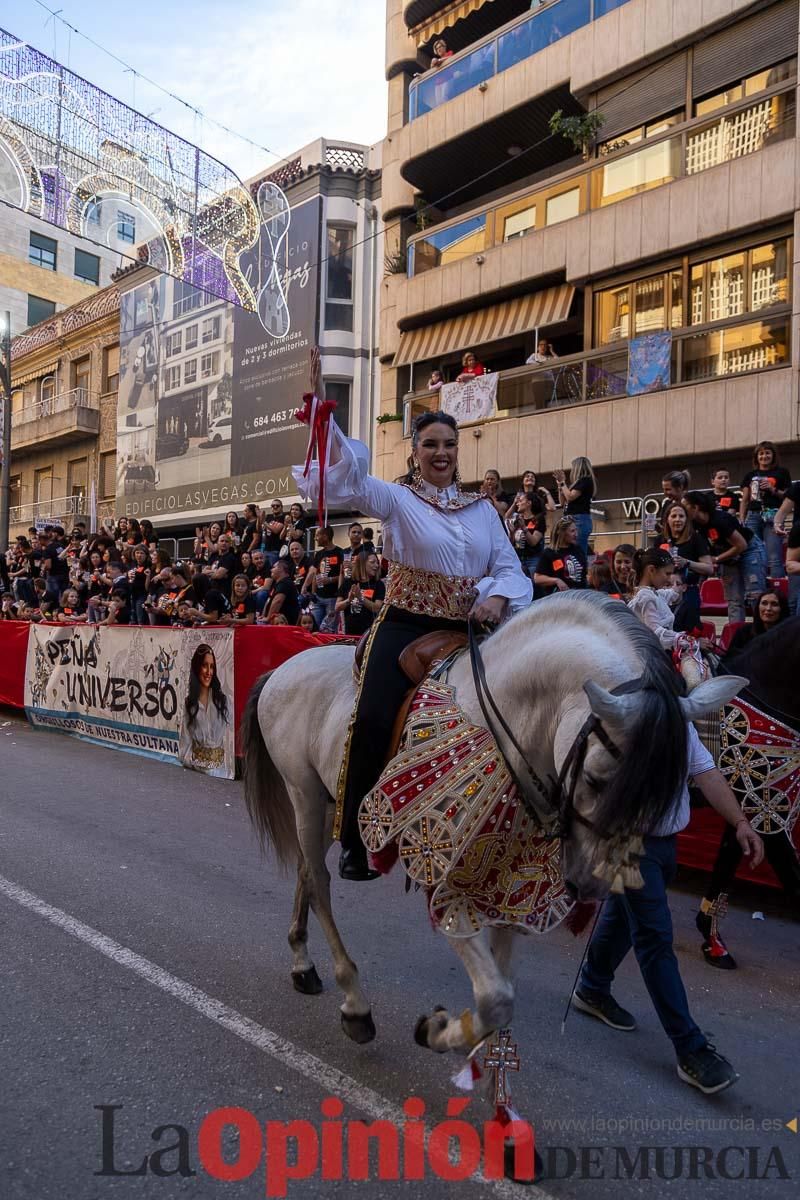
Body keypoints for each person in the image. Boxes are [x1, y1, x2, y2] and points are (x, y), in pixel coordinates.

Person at [293, 347, 531, 881]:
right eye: (430, 444)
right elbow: (347, 482)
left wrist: (496, 597)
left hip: (470, 627)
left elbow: (510, 568)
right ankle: (356, 837)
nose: (441, 453)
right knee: (375, 714)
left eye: (448, 444)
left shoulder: (483, 509)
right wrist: (323, 425)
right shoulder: (397, 499)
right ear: (415, 452)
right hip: (403, 623)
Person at [574, 725, 764, 1095]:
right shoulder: (622, 717)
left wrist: (740, 822)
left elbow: (706, 772)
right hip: (627, 843)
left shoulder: (679, 718)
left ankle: (592, 987)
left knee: (624, 918)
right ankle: (690, 1049)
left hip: (664, 844)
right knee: (654, 937)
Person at [684, 491, 766, 624]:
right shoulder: (695, 525)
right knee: (734, 599)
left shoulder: (720, 520)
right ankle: (736, 636)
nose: (682, 509)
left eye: (685, 505)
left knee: (755, 594)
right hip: (727, 557)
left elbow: (741, 545)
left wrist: (716, 559)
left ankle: (763, 634)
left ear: (695, 507)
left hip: (749, 550)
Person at [739, 441, 791, 580]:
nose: (764, 456)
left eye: (767, 453)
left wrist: (772, 489)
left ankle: (777, 591)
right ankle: (755, 588)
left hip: (774, 514)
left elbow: (787, 496)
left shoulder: (782, 472)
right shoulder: (750, 475)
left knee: (774, 555)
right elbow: (745, 499)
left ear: (773, 455)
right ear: (756, 457)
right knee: (752, 554)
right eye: (761, 453)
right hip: (753, 514)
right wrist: (742, 519)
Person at [659, 503, 713, 634]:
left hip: (688, 592)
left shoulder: (696, 539)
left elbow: (709, 568)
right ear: (667, 519)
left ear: (687, 520)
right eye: (674, 516)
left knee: (689, 631)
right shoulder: (660, 540)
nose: (678, 519)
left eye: (681, 516)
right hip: (663, 592)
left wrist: (687, 562)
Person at [179, 644, 229, 776]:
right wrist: (194, 762)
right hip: (197, 771)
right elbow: (185, 742)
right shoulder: (190, 704)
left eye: (212, 666)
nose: (208, 672)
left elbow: (229, 740)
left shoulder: (222, 701)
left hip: (222, 771)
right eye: (204, 665)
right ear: (197, 668)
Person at [627, 547, 685, 650]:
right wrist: (683, 639)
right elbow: (655, 633)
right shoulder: (646, 597)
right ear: (652, 570)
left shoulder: (653, 594)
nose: (669, 579)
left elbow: (670, 594)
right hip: (650, 656)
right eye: (667, 574)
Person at [722, 589, 789, 657]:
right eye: (764, 603)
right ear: (758, 607)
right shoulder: (743, 632)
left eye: (774, 604)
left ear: (782, 609)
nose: (768, 608)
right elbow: (729, 662)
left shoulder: (790, 636)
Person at [336, 551, 385, 637]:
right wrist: (348, 600)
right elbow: (337, 607)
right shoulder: (348, 582)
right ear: (362, 563)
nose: (376, 566)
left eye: (377, 563)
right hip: (349, 633)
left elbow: (378, 608)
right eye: (372, 562)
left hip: (369, 634)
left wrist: (361, 598)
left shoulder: (378, 584)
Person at [533, 517, 587, 596]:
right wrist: (556, 580)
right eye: (572, 531)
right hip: (559, 598)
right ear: (562, 533)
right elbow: (537, 578)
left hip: (579, 595)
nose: (576, 534)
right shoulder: (549, 553)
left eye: (576, 530)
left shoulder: (578, 549)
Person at [554, 457, 596, 555]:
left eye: (573, 467)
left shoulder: (585, 480)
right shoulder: (576, 483)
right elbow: (562, 502)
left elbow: (570, 497)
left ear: (578, 467)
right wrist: (560, 485)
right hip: (571, 518)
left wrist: (563, 483)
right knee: (569, 551)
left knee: (578, 552)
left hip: (579, 518)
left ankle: (581, 569)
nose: (572, 470)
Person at [308, 527, 345, 631]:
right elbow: (315, 574)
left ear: (325, 536)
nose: (315, 538)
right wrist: (313, 593)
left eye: (317, 535)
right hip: (318, 598)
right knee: (314, 627)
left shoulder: (340, 553)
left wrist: (330, 580)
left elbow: (344, 575)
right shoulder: (319, 554)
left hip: (332, 599)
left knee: (328, 629)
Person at [506, 491, 546, 578]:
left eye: (520, 501)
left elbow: (534, 542)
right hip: (518, 559)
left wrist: (524, 528)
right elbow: (511, 544)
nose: (517, 503)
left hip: (532, 560)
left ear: (528, 503)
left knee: (533, 587)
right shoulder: (518, 519)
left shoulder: (538, 519)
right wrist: (512, 533)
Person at [263, 558, 300, 626]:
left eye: (274, 567)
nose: (271, 570)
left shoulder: (285, 583)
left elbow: (278, 601)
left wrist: (268, 618)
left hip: (284, 625)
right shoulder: (278, 583)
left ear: (281, 569)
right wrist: (263, 616)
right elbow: (268, 601)